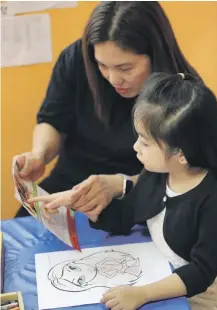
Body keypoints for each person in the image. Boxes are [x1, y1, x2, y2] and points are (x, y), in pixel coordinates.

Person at [31, 73, 217, 310]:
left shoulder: (213, 202)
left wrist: (143, 293)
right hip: (163, 271)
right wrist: (82, 204)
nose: (135, 147)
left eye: (145, 142)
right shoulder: (157, 175)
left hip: (207, 292)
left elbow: (201, 271)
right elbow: (127, 214)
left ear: (181, 154)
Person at [14, 1, 201, 218]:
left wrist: (122, 184)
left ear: (155, 53)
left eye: (125, 68)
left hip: (142, 196)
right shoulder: (77, 58)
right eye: (101, 65)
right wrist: (40, 155)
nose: (113, 79)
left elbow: (188, 176)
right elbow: (53, 119)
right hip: (68, 184)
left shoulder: (187, 94)